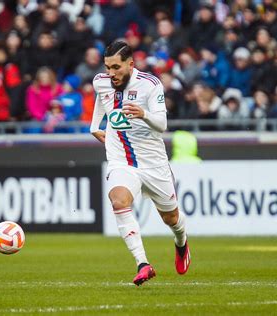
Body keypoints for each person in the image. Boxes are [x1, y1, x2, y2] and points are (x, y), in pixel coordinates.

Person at [90, 41, 190, 286]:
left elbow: (162, 125)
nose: (111, 73)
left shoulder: (150, 84)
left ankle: (181, 242)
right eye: (107, 67)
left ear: (130, 64)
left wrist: (143, 114)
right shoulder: (101, 81)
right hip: (120, 159)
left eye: (116, 67)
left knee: (171, 219)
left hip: (153, 163)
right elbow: (102, 100)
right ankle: (143, 263)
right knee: (118, 200)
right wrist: (95, 126)